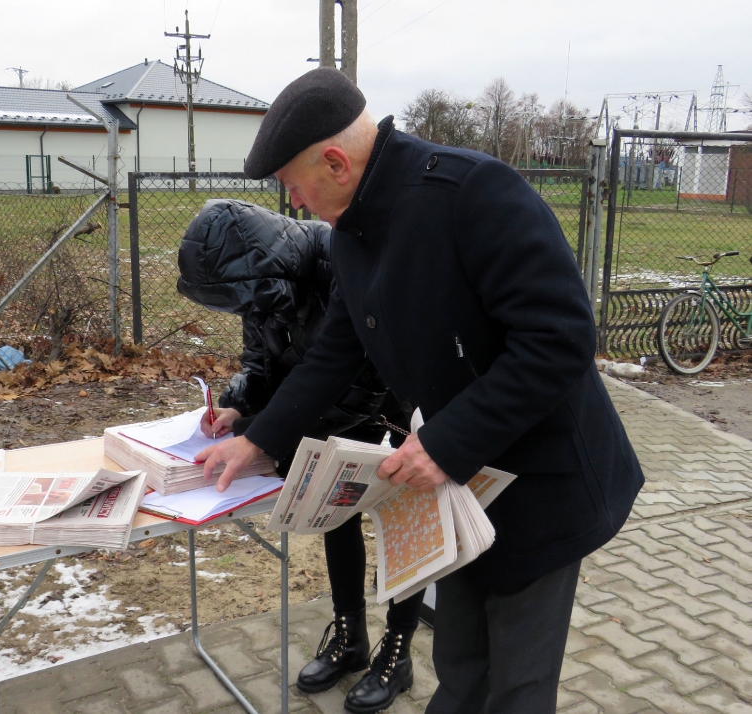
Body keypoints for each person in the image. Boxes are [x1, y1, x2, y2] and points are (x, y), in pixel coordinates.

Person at [196, 67, 645, 713]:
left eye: (292, 185)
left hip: (541, 482)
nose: (292, 203)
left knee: (517, 687)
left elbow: (559, 339)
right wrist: (257, 439)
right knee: (459, 665)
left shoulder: (473, 193)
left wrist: (446, 443)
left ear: (335, 163)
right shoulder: (352, 234)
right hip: (459, 485)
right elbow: (337, 353)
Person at [177, 198, 424, 712]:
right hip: (326, 405)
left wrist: (257, 434)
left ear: (269, 266)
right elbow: (261, 361)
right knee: (337, 511)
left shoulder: (341, 264)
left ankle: (397, 652)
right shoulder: (259, 282)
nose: (250, 310)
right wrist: (237, 404)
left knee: (406, 522)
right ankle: (350, 636)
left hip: (399, 402)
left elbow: (354, 387)